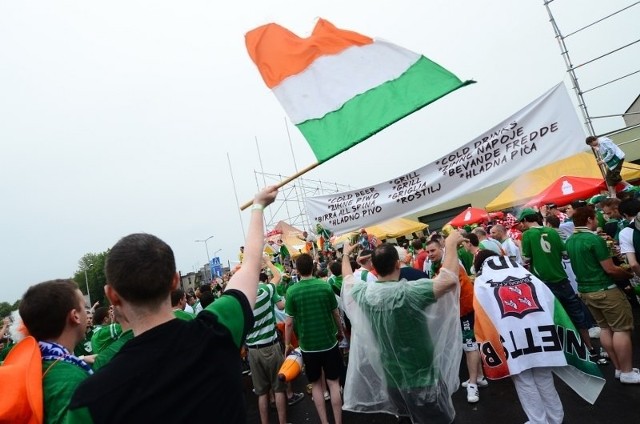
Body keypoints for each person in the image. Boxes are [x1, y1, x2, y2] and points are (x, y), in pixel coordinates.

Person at [67, 186, 279, 423]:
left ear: (111, 296)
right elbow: (251, 264)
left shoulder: (90, 400)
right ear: (174, 282)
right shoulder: (218, 329)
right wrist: (258, 206)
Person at [342, 232, 464, 424]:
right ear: (398, 264)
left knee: (407, 420)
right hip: (423, 379)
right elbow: (448, 280)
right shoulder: (409, 292)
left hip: (393, 380)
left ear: (373, 267)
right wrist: (449, 244)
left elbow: (347, 278)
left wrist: (344, 256)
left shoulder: (365, 294)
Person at [566, 206, 639, 384]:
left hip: (586, 291)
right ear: (590, 219)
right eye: (596, 218)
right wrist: (628, 274)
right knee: (621, 329)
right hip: (605, 289)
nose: (597, 221)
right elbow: (610, 269)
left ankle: (619, 369)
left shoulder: (571, 240)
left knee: (606, 328)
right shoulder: (593, 239)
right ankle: (627, 371)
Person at [518, 208, 603, 361]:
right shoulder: (552, 232)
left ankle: (568, 354)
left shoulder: (527, 235)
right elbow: (564, 254)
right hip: (562, 279)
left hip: (544, 283)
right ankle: (590, 349)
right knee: (576, 315)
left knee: (554, 318)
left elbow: (526, 260)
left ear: (525, 220)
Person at [19, 279, 94, 424]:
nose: (87, 313)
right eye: (84, 308)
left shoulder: (30, 364)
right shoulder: (71, 378)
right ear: (75, 316)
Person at [284, 253, 344, 424]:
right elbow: (336, 314)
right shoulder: (324, 287)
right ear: (313, 267)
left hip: (308, 347)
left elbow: (289, 323)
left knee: (316, 385)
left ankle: (324, 422)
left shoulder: (292, 291)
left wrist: (287, 344)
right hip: (329, 343)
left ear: (297, 269)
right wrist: (339, 332)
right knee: (333, 384)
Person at [424, 238, 486, 404]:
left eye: (433, 251)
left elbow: (448, 288)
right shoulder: (439, 265)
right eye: (428, 252)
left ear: (442, 248)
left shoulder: (449, 264)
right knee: (468, 344)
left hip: (465, 310)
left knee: (469, 346)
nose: (430, 255)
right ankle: (479, 376)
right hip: (459, 311)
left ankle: (473, 384)